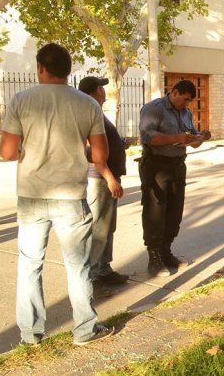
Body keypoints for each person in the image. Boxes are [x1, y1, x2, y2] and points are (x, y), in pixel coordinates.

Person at [0, 43, 113, 346]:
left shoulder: (21, 100)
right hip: (71, 198)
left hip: (31, 196)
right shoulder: (87, 104)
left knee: (29, 264)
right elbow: (100, 156)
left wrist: (29, 150)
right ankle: (85, 330)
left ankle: (30, 334)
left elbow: (8, 152)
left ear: (40, 68)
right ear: (69, 70)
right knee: (77, 266)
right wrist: (76, 150)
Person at [138, 80, 211, 277]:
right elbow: (147, 137)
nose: (186, 105)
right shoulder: (154, 109)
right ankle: (154, 257)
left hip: (177, 166)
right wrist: (176, 138)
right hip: (156, 165)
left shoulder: (186, 112)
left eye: (189, 101)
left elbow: (192, 140)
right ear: (175, 92)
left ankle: (166, 251)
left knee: (174, 211)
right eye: (184, 100)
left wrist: (201, 137)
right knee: (155, 211)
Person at [78, 77, 129, 289]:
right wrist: (109, 178)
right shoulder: (89, 111)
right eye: (102, 87)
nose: (104, 90)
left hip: (106, 177)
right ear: (97, 90)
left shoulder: (95, 111)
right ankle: (92, 274)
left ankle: (103, 269)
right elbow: (93, 151)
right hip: (100, 179)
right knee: (99, 228)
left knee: (107, 227)